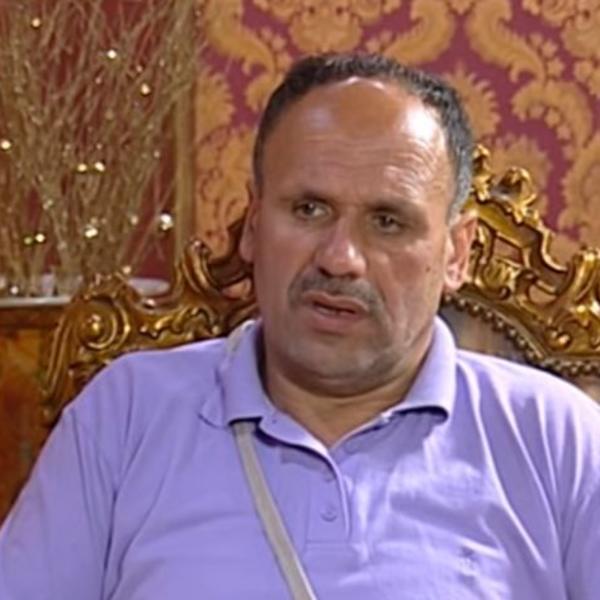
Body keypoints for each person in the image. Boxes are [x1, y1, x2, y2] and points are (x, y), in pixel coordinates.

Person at [1, 53, 599, 600]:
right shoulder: (127, 413)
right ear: (253, 224)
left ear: (456, 253)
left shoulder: (555, 437)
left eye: (388, 222)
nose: (340, 258)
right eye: (309, 209)